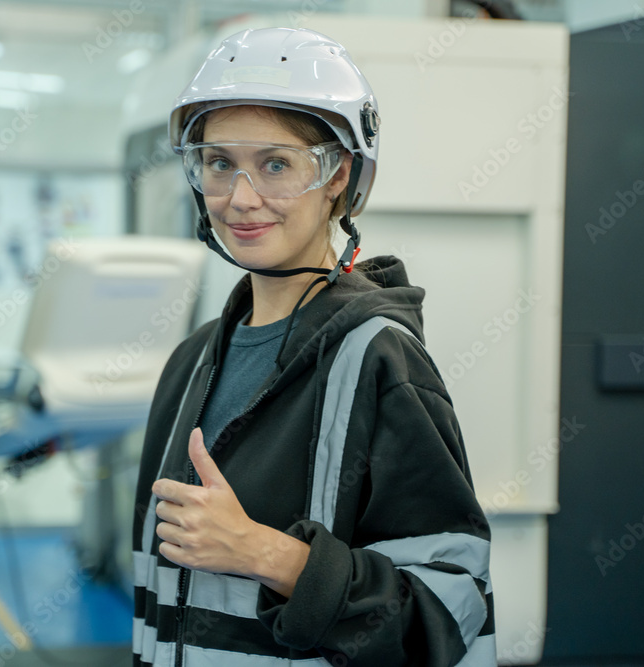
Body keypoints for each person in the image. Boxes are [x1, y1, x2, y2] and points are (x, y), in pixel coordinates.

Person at [131, 27, 494, 667]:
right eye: (219, 163)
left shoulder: (382, 359)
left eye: (276, 164)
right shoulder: (189, 362)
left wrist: (265, 554)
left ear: (338, 176)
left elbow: (444, 612)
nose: (242, 199)